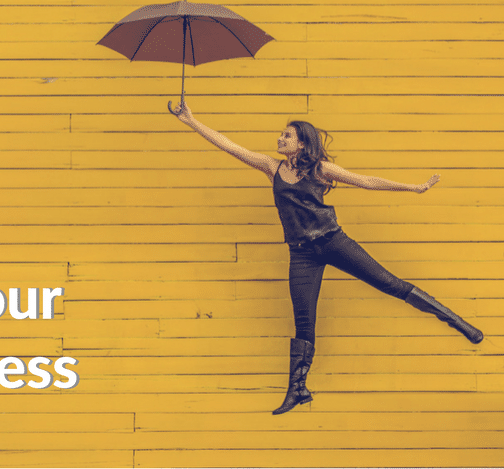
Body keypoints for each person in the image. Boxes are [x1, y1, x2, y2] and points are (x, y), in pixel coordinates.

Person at [169, 100, 483, 415]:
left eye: (286, 136)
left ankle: (456, 321)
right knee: (303, 322)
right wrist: (191, 121)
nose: (280, 139)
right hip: (302, 254)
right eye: (281, 135)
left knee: (390, 284)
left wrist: (414, 188)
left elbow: (366, 181)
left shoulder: (320, 169)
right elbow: (229, 146)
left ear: (302, 143)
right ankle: (298, 389)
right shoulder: (271, 167)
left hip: (333, 242)